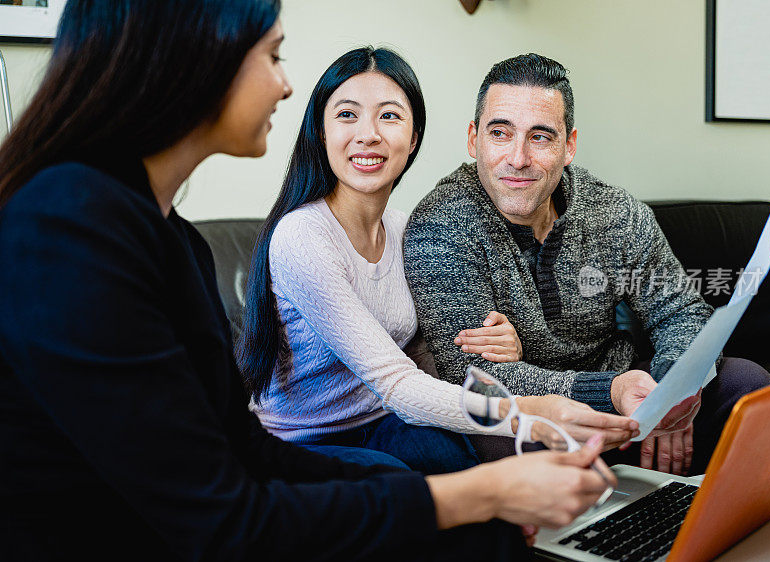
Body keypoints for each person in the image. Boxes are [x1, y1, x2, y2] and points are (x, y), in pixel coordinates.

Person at [0, 3, 617, 560]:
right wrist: (493, 469)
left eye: (389, 117)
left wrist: (523, 416)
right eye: (271, 54)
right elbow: (225, 518)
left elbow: (244, 445)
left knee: (447, 489)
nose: (285, 83)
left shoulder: (170, 236)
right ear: (196, 56)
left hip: (354, 433)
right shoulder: (70, 225)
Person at [236, 46, 639, 475]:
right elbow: (396, 382)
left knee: (461, 463)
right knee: (397, 482)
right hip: (302, 438)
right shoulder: (303, 236)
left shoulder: (406, 229)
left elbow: (426, 354)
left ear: (413, 138)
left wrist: (506, 341)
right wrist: (530, 414)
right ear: (321, 131)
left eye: (389, 116)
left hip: (384, 422)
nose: (368, 134)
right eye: (347, 115)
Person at [403, 52, 770, 475]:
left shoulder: (614, 212)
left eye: (540, 137)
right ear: (474, 139)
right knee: (502, 437)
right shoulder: (441, 225)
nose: (518, 157)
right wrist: (608, 393)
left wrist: (674, 394)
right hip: (539, 416)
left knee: (748, 386)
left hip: (630, 401)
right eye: (500, 133)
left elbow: (682, 311)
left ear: (569, 146)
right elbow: (472, 377)